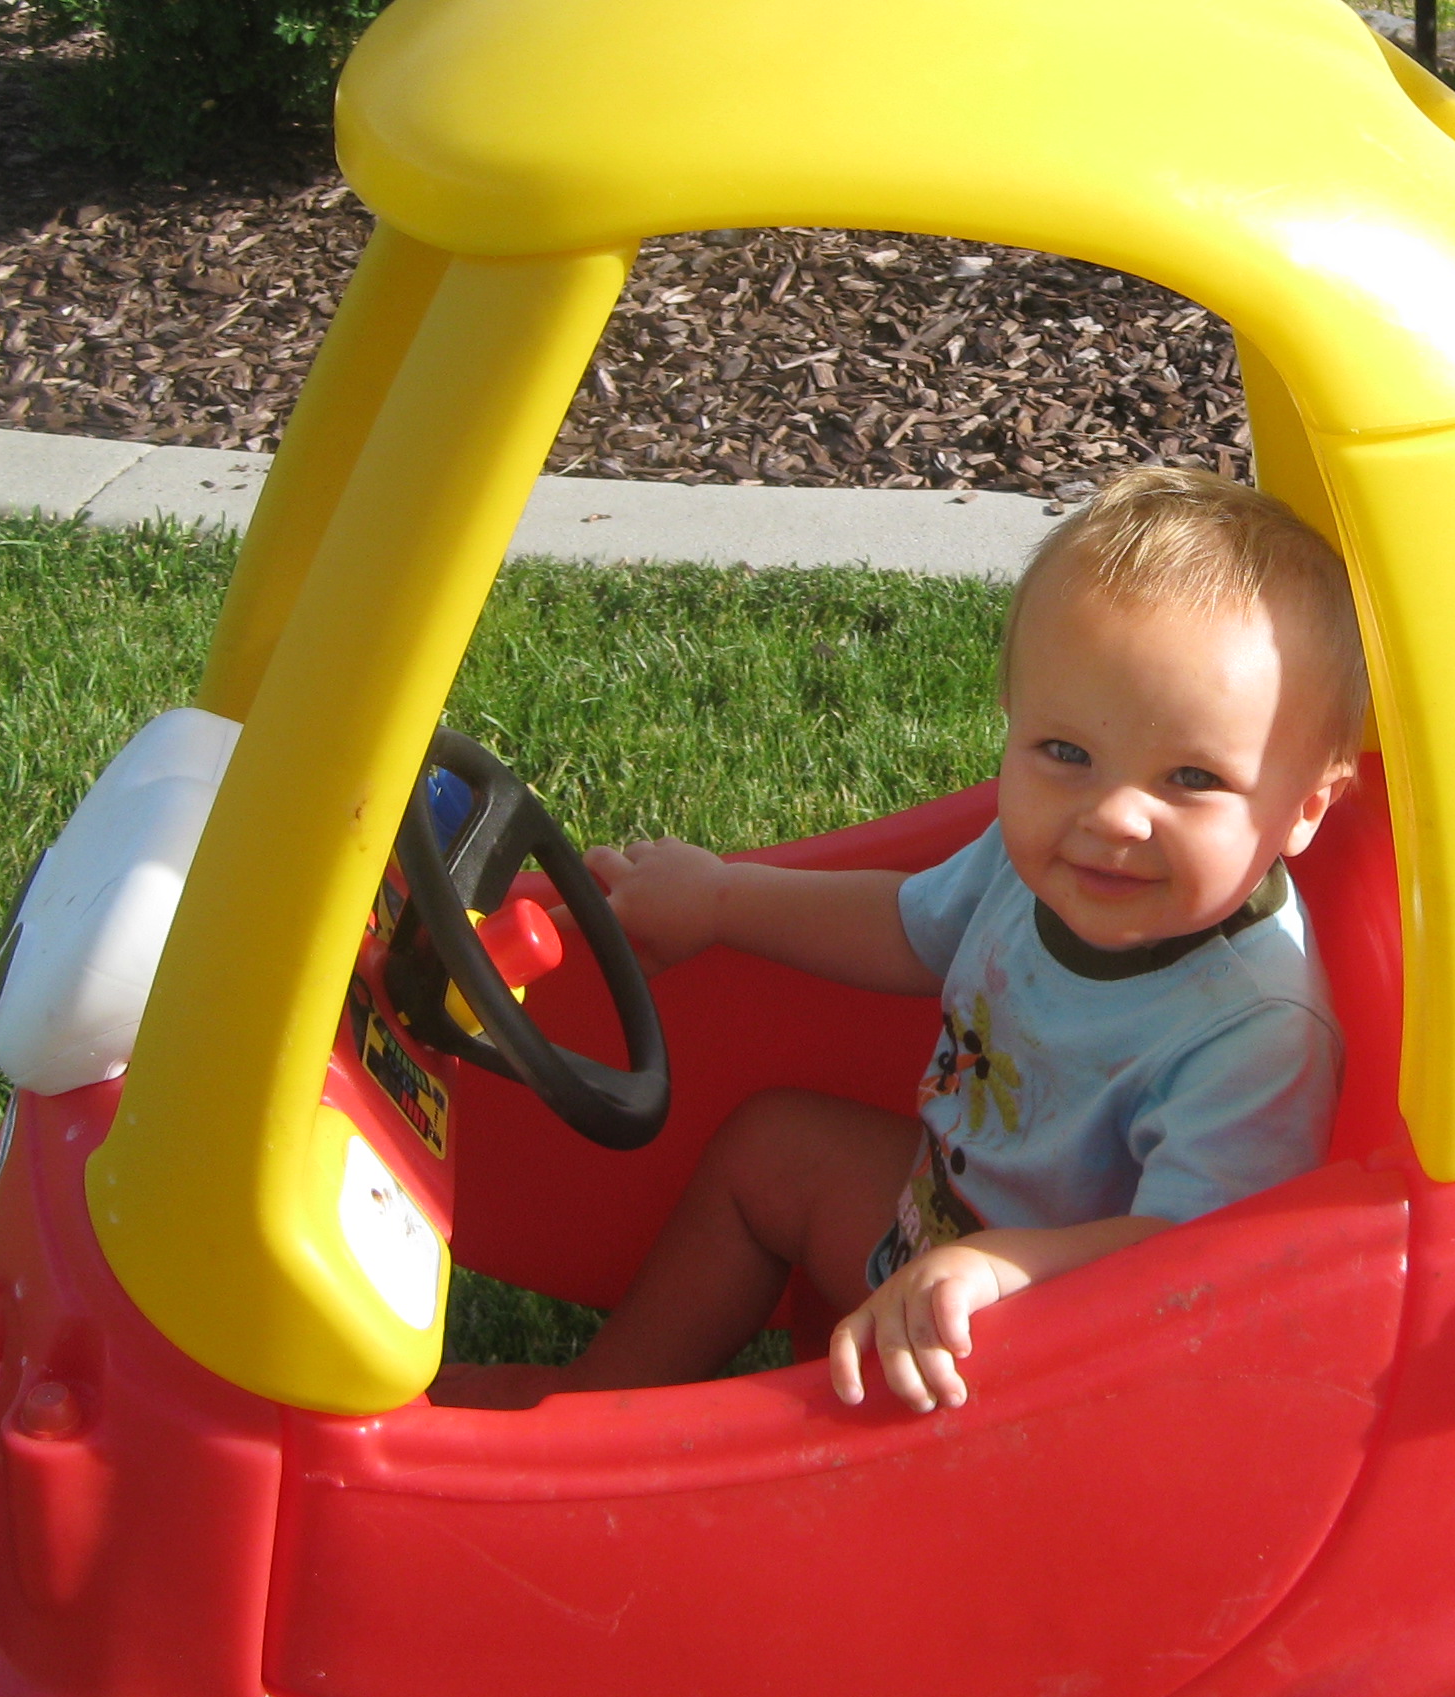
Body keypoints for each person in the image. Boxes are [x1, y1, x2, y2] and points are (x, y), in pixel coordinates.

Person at [433, 465, 1363, 1416]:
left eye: (1193, 778)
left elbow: (1194, 1262)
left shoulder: (1255, 1029)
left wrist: (995, 1272)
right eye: (1066, 753)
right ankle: (600, 1397)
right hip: (936, 1225)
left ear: (1304, 808)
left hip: (1045, 1356)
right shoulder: (1035, 863)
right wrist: (722, 900)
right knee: (774, 1150)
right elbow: (906, 925)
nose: (1112, 816)